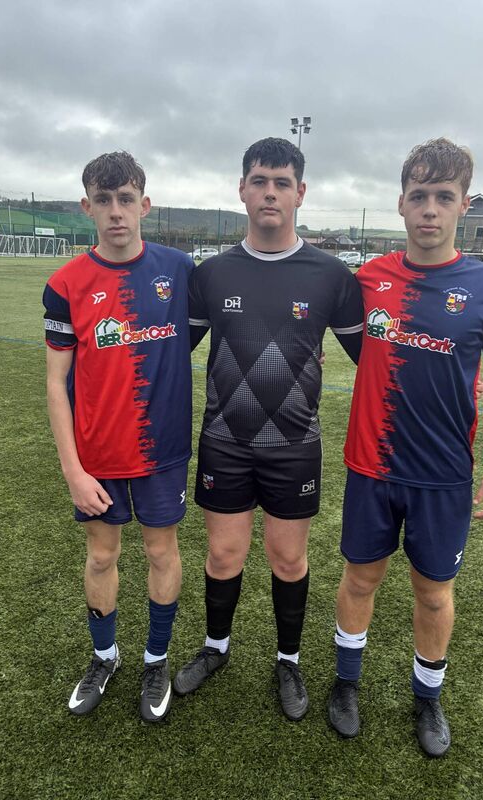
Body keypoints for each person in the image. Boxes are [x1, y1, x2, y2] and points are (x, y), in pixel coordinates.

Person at [327, 138, 483, 756]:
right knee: (360, 578)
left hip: (443, 475)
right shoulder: (368, 279)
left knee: (434, 590)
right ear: (401, 203)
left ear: (464, 204)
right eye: (419, 196)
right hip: (372, 465)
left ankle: (427, 698)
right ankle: (345, 683)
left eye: (444, 197)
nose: (430, 210)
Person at [175, 137, 364, 720]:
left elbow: (374, 362)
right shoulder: (212, 273)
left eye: (282, 183)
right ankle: (215, 649)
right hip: (225, 443)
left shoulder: (332, 275)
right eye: (259, 181)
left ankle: (288, 660)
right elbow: (171, 351)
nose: (270, 193)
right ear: (242, 190)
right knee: (224, 554)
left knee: (288, 560)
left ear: (300, 193)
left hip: (294, 448)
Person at [43, 151, 193, 722]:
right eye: (103, 201)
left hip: (160, 453)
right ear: (87, 207)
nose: (115, 213)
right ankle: (104, 658)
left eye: (125, 199)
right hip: (97, 456)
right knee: (102, 556)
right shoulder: (65, 285)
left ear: (145, 206)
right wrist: (72, 470)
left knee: (161, 550)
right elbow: (57, 385)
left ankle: (156, 661)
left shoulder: (179, 271)